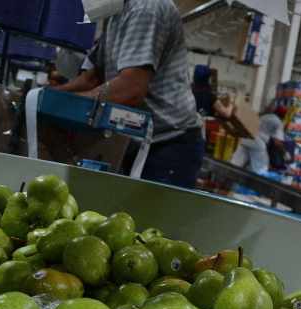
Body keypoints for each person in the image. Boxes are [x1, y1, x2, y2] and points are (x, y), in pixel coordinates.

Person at [55, 0, 203, 189]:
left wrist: (65, 105)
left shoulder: (146, 8)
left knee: (152, 218)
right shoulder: (116, 14)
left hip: (168, 145)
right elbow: (91, 78)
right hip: (137, 140)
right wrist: (45, 96)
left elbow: (130, 89)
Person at [230, 102, 286, 174]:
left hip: (246, 139)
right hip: (258, 145)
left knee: (235, 164)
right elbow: (278, 142)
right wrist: (284, 152)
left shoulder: (264, 116)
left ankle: (223, 181)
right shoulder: (278, 122)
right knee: (261, 171)